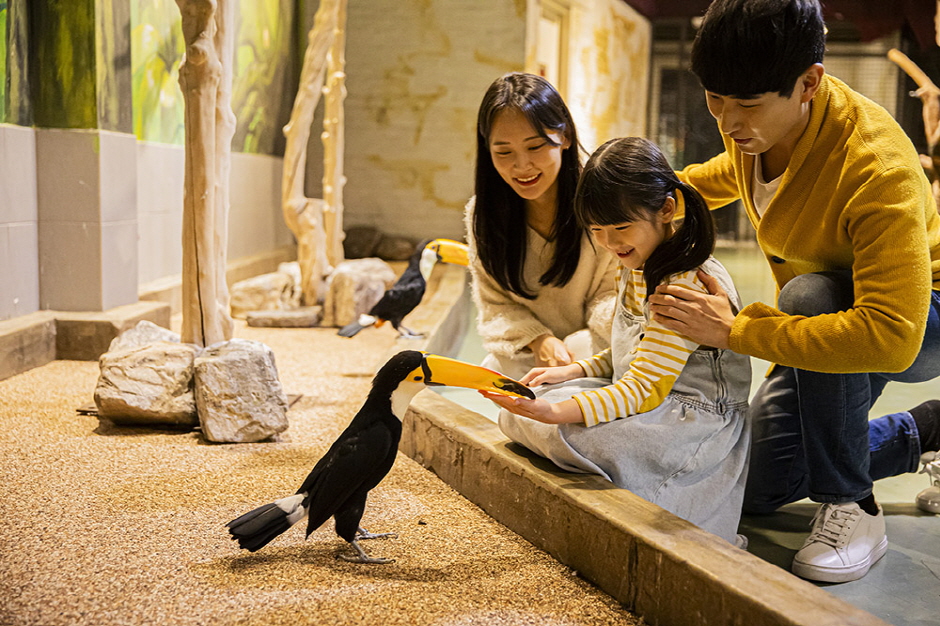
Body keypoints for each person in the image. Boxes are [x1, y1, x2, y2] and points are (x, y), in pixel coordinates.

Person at [646, 0, 940, 584]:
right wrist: (646, 193)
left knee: (806, 295)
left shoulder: (874, 165)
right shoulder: (755, 128)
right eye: (715, 99)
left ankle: (853, 505)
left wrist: (736, 331)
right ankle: (926, 432)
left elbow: (894, 337)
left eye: (747, 104)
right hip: (832, 316)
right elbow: (729, 175)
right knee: (758, 485)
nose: (728, 121)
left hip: (920, 315)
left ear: (809, 82)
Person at [482, 137, 752, 546]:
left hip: (688, 421)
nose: (610, 243)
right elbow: (633, 348)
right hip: (647, 400)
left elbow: (644, 388)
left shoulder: (683, 284)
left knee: (561, 428)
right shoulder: (639, 261)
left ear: (665, 209)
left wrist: (554, 412)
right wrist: (574, 370)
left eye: (621, 227)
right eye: (597, 231)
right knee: (522, 409)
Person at [467, 72, 618, 380]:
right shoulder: (482, 216)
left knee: (578, 353)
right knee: (494, 369)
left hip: (598, 344)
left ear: (564, 137)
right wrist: (538, 338)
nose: (522, 166)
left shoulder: (603, 202)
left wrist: (572, 351)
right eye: (504, 152)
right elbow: (495, 305)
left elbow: (614, 296)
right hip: (537, 351)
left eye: (535, 147)